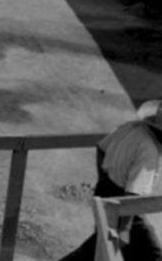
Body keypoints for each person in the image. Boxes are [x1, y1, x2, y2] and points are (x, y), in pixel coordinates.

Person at [59, 101, 162, 261]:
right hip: (124, 206)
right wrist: (124, 229)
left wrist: (103, 177)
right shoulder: (150, 154)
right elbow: (134, 193)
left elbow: (101, 148)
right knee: (153, 254)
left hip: (106, 189)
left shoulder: (131, 127)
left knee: (100, 245)